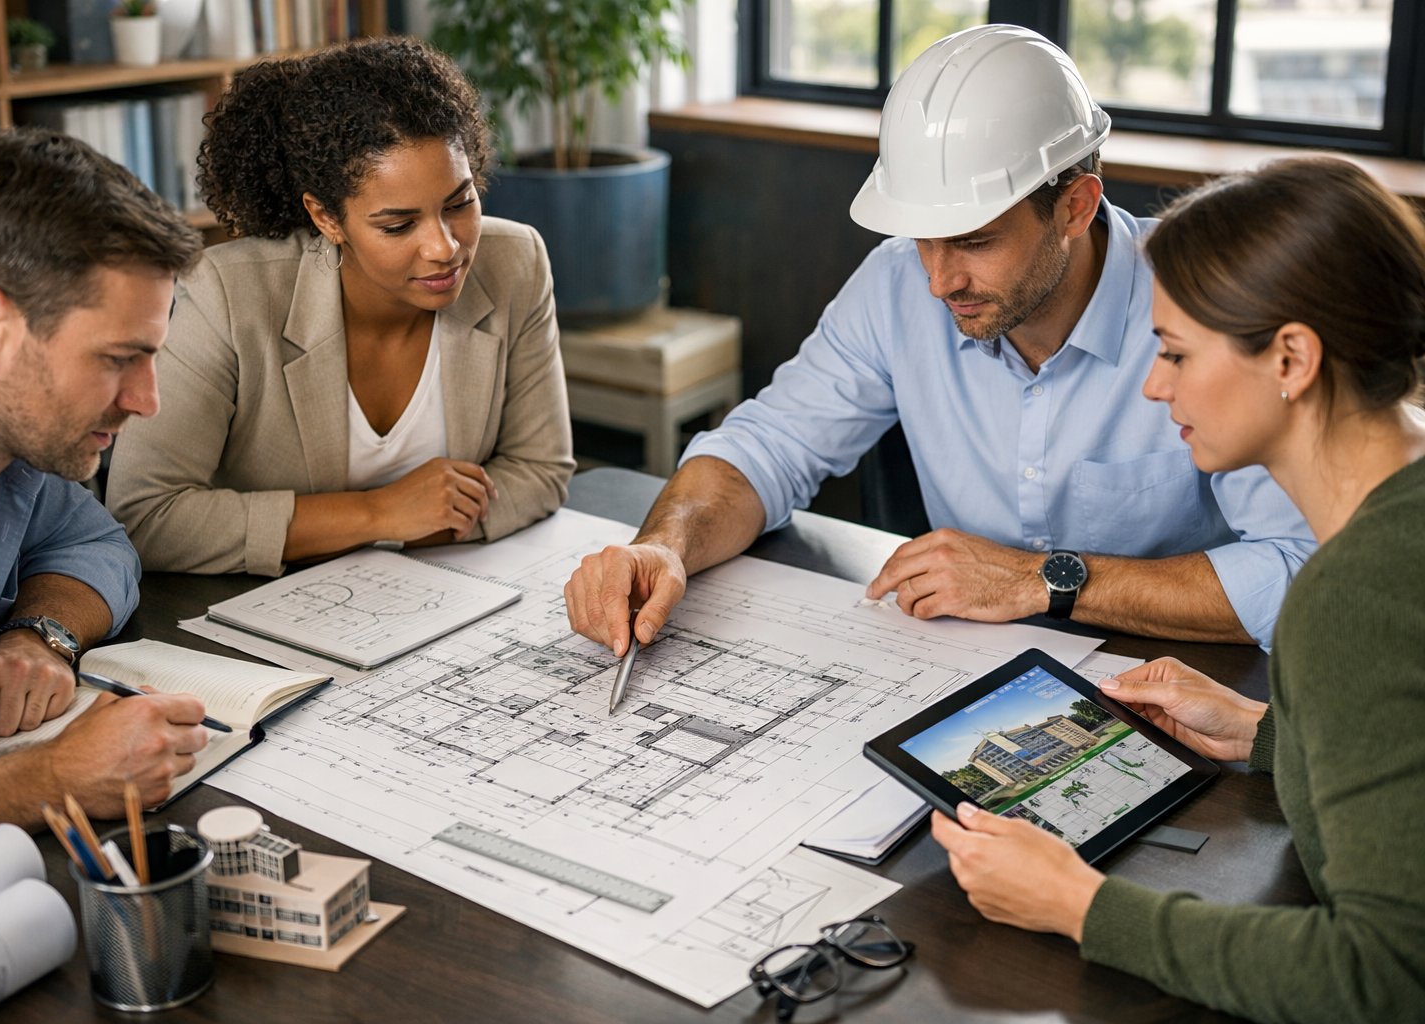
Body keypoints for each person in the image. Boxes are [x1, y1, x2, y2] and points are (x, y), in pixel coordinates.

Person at [562, 25, 1312, 654]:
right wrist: (665, 545)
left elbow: (1299, 573)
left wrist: (1039, 578)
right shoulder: (896, 285)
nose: (938, 280)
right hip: (960, 665)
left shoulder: (1208, 308)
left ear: (1076, 207)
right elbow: (765, 447)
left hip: (1179, 684)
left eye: (975, 241)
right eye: (922, 239)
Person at [930, 156, 1425, 1021]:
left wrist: (1080, 907)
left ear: (1292, 359)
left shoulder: (1351, 595)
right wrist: (1274, 734)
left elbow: (1381, 976)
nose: (1156, 387)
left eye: (1176, 354)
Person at [106, 37, 575, 576]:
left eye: (460, 203)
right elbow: (144, 516)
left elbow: (541, 469)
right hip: (259, 613)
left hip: (443, 596)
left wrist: (397, 535)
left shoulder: (514, 261)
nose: (445, 247)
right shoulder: (230, 294)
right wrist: (380, 513)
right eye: (398, 225)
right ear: (326, 217)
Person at [0, 127, 212, 873]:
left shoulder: (6, 441)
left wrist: (38, 634)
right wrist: (53, 776)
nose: (147, 401)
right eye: (118, 360)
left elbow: (95, 543)